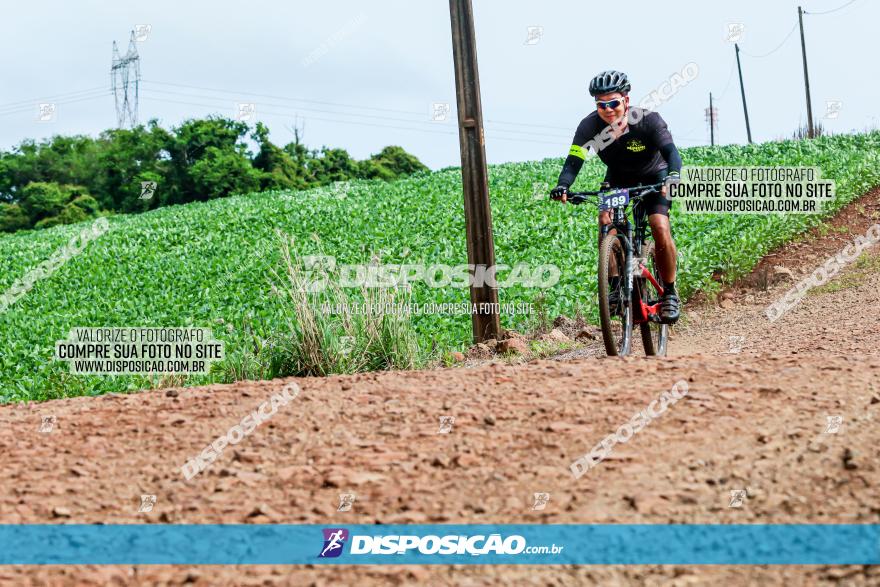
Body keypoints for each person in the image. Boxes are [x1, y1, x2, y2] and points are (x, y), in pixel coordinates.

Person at [550, 70, 682, 324]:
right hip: (619, 179)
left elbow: (671, 152)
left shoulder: (647, 120)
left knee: (659, 225)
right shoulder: (589, 126)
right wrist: (563, 185)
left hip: (656, 175)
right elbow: (574, 160)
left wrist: (673, 176)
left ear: (626, 101)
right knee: (605, 219)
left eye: (614, 103)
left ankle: (670, 292)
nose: (608, 110)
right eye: (602, 105)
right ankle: (614, 286)